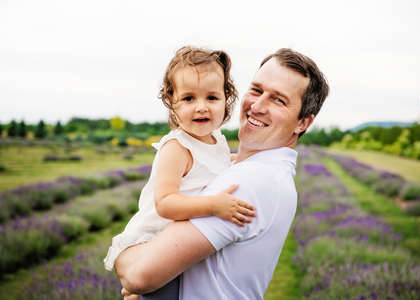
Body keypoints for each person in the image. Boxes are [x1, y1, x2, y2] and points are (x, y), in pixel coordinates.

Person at [115, 48, 329, 300]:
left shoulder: (247, 182)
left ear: (303, 122)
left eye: (278, 100)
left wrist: (124, 262)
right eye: (257, 90)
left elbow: (139, 276)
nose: (257, 106)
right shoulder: (260, 172)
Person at [104, 46, 256, 298]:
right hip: (152, 242)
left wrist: (242, 161)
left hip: (177, 244)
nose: (201, 107)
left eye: (211, 98)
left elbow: (213, 166)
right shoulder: (176, 148)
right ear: (171, 101)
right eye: (188, 98)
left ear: (226, 99)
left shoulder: (216, 139)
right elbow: (165, 203)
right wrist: (213, 206)